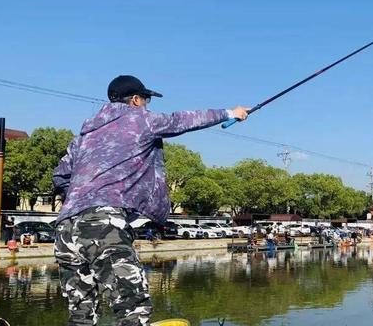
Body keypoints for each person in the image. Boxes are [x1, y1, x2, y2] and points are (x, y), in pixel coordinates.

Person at [52, 75, 248, 326]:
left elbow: (60, 175)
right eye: (146, 100)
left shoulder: (83, 135)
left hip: (65, 228)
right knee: (133, 308)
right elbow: (183, 120)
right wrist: (231, 113)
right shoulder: (139, 119)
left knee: (81, 314)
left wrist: (82, 197)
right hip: (103, 224)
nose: (147, 106)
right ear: (135, 100)